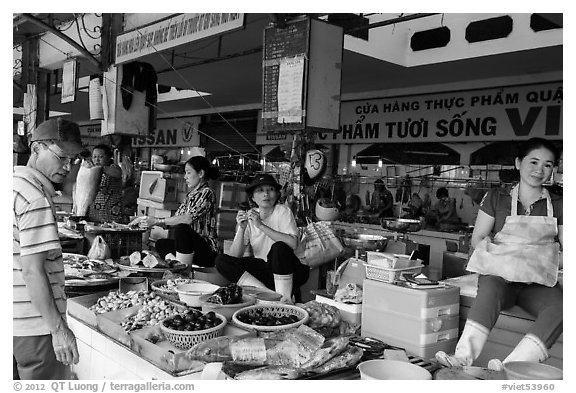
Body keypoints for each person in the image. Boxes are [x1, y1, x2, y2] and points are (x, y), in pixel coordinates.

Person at [435, 137, 563, 371]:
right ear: (518, 163)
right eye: (533, 162)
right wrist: (511, 255)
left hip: (537, 282)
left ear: (553, 169)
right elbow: (478, 237)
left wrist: (547, 258)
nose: (539, 170)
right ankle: (462, 357)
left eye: (547, 165)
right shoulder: (496, 198)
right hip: (499, 276)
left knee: (562, 308)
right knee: (490, 290)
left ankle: (512, 367)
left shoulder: (560, 203)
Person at [13, 118, 82, 379]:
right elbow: (32, 271)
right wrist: (58, 330)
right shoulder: (34, 198)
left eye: (73, 160)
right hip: (35, 326)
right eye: (62, 157)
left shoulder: (11, 185)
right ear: (36, 149)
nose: (67, 167)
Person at [215, 174, 309, 303]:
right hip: (267, 269)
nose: (266, 194)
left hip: (293, 269)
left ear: (276, 194)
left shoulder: (283, 211)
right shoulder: (251, 215)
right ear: (253, 197)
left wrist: (261, 225)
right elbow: (234, 256)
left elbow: (292, 244)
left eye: (270, 189)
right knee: (222, 261)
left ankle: (284, 298)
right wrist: (241, 229)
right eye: (260, 190)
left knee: (279, 248)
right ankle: (269, 295)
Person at [130, 156, 220, 268]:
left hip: (206, 251)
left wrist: (157, 220)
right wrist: (147, 221)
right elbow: (175, 221)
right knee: (161, 244)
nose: (185, 177)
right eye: (185, 173)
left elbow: (188, 219)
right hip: (190, 249)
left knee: (182, 229)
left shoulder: (207, 193)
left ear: (200, 173)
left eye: (188, 172)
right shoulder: (190, 196)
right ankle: (177, 264)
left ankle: (183, 271)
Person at [86, 144, 124, 223]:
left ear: (108, 158)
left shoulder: (114, 168)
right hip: (94, 213)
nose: (97, 160)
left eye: (100, 157)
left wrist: (100, 168)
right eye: (94, 157)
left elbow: (118, 173)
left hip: (111, 213)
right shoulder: (91, 170)